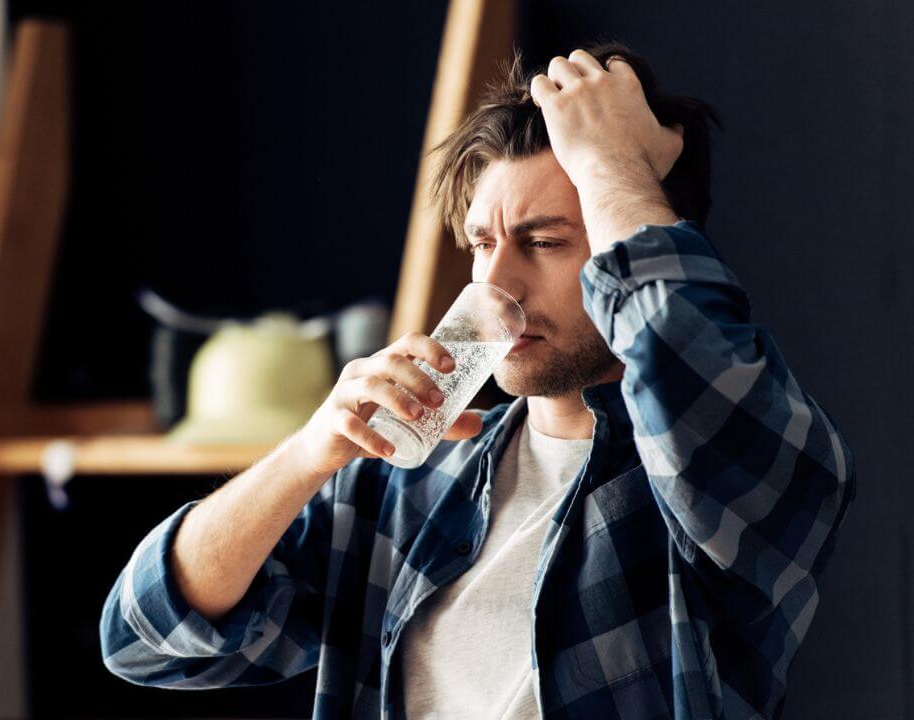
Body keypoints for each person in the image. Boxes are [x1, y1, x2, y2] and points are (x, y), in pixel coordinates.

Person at [98, 42, 857, 719]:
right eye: (481, 242)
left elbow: (686, 358)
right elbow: (145, 641)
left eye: (546, 241)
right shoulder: (408, 480)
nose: (497, 282)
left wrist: (612, 166)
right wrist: (306, 456)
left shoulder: (746, 461)